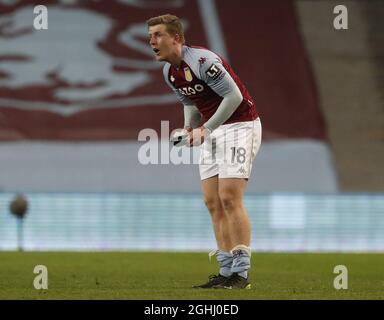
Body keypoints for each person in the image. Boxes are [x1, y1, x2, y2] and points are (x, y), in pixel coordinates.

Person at [147, 14, 261, 289]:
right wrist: (188, 128)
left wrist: (206, 129)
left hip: (240, 125)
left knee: (229, 196)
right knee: (212, 201)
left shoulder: (202, 61)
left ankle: (241, 273)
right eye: (150, 36)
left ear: (176, 38)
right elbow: (191, 100)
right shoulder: (169, 72)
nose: (152, 41)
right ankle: (225, 270)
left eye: (158, 35)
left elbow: (233, 97)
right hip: (213, 129)